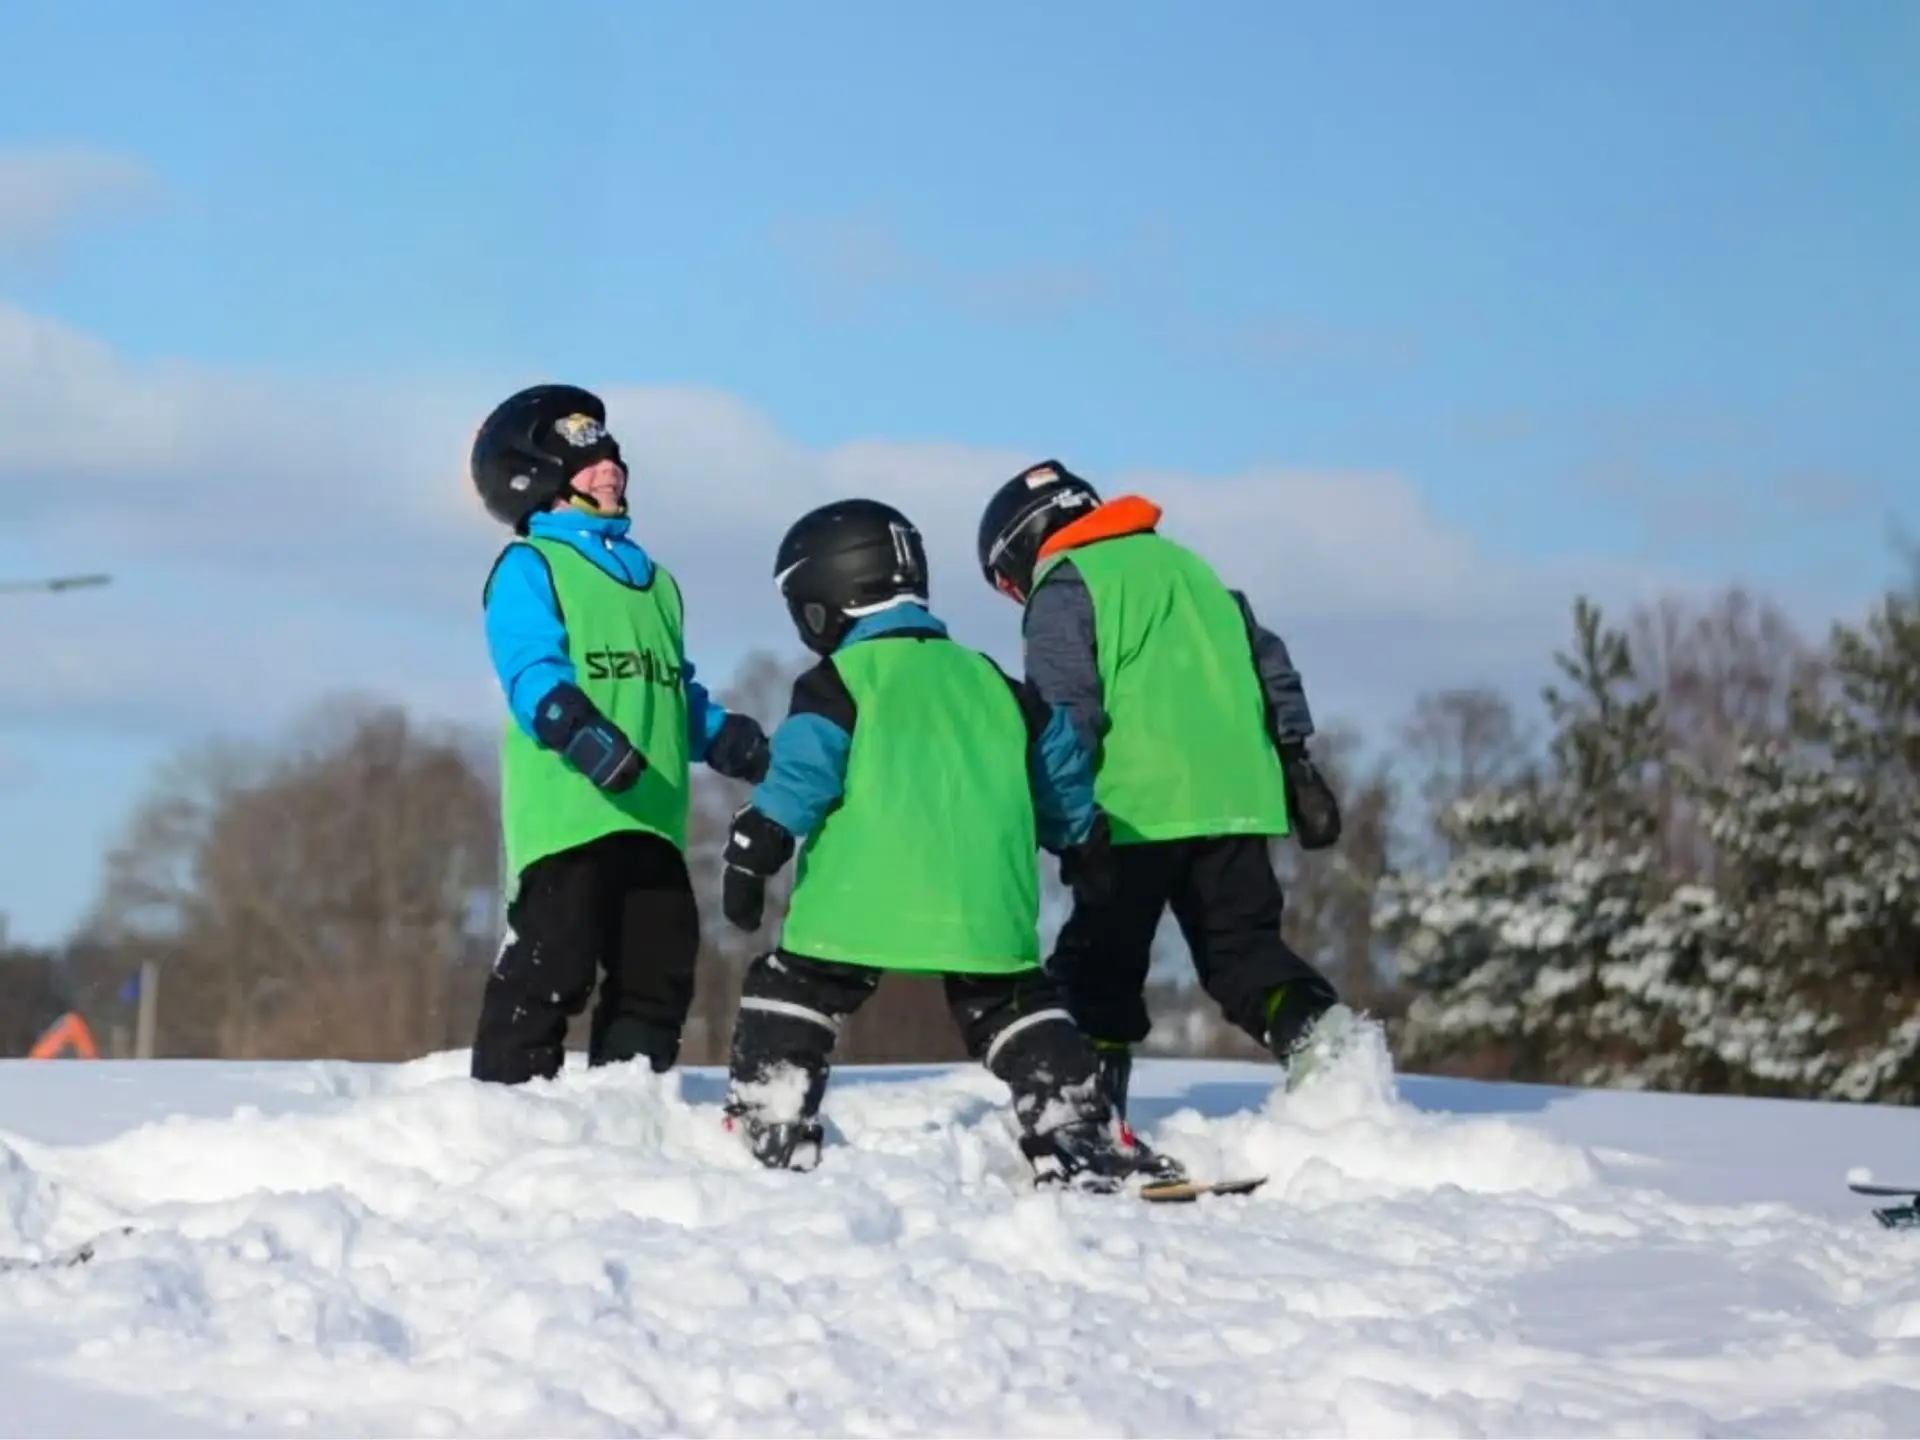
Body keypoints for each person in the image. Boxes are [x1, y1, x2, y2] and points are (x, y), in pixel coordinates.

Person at [715, 497, 1181, 1191]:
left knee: (795, 991)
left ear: (823, 599)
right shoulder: (992, 681)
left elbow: (803, 769)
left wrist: (757, 842)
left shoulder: (841, 681)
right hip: (984, 904)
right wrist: (1081, 840)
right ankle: (1079, 1127)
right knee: (1016, 1007)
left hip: (860, 900)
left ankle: (770, 1115)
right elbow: (1057, 765)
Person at [975, 459, 1352, 1119]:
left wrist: (1056, 814)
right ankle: (1332, 1055)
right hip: (1237, 802)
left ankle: (1086, 1109)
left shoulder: (1066, 585)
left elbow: (1067, 713)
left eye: (1010, 582)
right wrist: (1296, 762)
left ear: (1026, 541)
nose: (1019, 595)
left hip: (1132, 812)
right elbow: (1269, 661)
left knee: (1098, 965)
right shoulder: (1192, 571)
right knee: (1243, 952)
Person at [467, 383, 771, 1085]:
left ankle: (628, 1103)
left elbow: (672, 691)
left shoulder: (658, 584)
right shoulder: (532, 566)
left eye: (613, 456)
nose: (612, 468)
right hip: (572, 815)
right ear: (536, 479)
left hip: (656, 816)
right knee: (556, 956)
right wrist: (579, 732)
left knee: (660, 966)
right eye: (589, 460)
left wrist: (725, 736)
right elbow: (530, 671)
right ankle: (506, 1098)